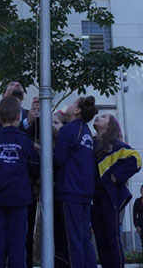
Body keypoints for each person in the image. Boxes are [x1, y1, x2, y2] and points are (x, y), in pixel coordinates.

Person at [0, 96, 40, 268]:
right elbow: (35, 166)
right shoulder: (25, 141)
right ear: (19, 116)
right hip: (19, 199)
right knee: (17, 245)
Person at [92, 114, 141, 268]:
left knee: (112, 237)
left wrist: (117, 175)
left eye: (104, 116)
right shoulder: (91, 143)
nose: (98, 117)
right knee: (99, 239)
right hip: (93, 198)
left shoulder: (116, 145)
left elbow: (136, 159)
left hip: (110, 197)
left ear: (110, 125)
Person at [53, 96, 98, 268]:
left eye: (72, 103)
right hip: (85, 192)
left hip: (70, 191)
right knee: (84, 237)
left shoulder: (69, 129)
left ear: (77, 110)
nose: (68, 105)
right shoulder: (85, 131)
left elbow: (58, 159)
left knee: (73, 240)